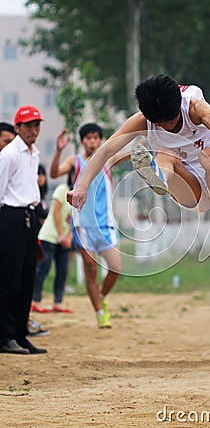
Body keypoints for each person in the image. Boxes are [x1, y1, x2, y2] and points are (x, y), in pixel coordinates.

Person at [67, 74, 210, 235]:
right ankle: (159, 178)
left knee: (209, 154)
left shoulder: (195, 106)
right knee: (165, 152)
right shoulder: (142, 120)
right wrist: (81, 187)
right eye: (160, 123)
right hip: (189, 190)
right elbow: (106, 150)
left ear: (179, 106)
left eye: (171, 120)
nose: (167, 126)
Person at [50, 123, 121, 328]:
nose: (92, 141)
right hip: (82, 225)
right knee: (90, 269)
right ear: (82, 141)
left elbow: (130, 153)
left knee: (115, 267)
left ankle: (101, 296)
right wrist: (58, 151)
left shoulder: (107, 160)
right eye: (88, 138)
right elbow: (55, 173)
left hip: (105, 224)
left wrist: (147, 138)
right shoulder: (76, 161)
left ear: (100, 140)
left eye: (96, 138)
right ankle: (99, 312)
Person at [0, 105, 47, 354]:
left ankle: (20, 333)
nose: (33, 130)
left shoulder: (33, 153)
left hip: (29, 216)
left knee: (27, 278)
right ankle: (5, 336)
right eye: (28, 125)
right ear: (17, 127)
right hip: (11, 216)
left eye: (37, 125)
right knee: (9, 278)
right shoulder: (9, 154)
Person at [31, 170, 74, 313]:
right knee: (43, 268)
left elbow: (75, 220)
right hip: (49, 236)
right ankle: (35, 300)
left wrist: (68, 238)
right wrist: (61, 235)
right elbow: (55, 212)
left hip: (64, 239)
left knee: (62, 270)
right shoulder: (62, 189)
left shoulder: (83, 194)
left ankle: (58, 302)